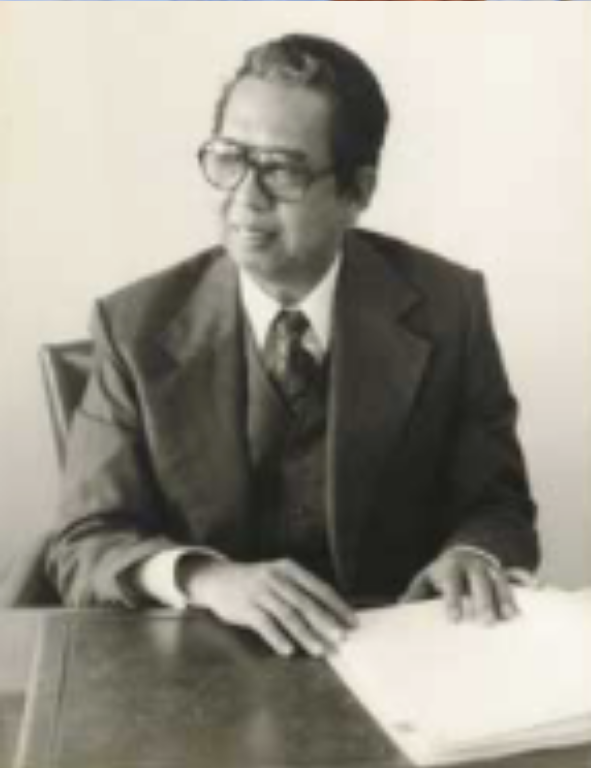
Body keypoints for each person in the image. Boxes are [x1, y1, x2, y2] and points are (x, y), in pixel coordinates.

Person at [47, 34, 539, 658]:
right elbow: (83, 544)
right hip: (204, 678)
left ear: (357, 191)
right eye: (229, 158)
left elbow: (496, 503)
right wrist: (206, 577)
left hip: (402, 664)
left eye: (281, 169)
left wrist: (471, 555)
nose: (244, 198)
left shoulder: (450, 306)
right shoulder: (133, 326)